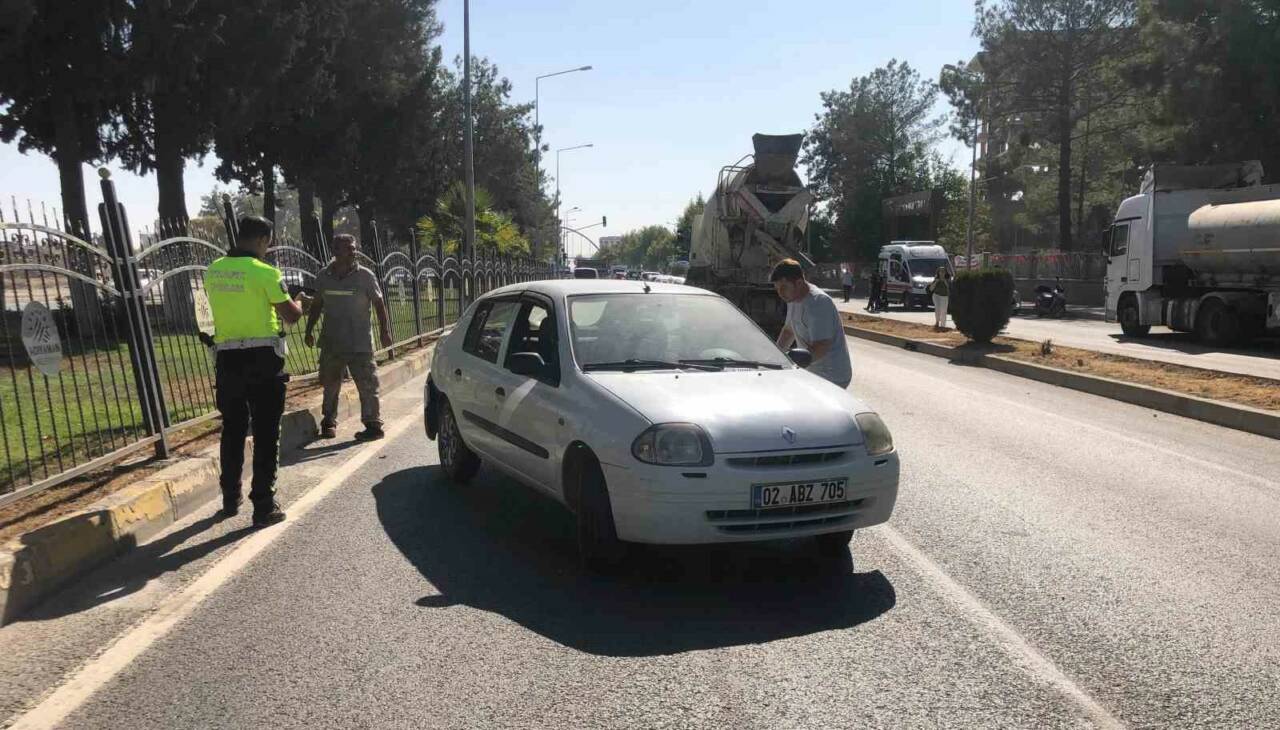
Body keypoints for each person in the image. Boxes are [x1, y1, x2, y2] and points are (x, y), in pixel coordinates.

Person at [205, 216, 308, 526]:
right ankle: (264, 505)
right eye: (268, 242)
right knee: (265, 433)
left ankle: (230, 496)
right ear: (264, 239)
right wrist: (300, 301)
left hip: (227, 360)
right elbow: (290, 316)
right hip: (263, 360)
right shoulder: (266, 272)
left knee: (233, 429)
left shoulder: (213, 271)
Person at [304, 234, 394, 441]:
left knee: (368, 385)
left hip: (360, 343)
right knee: (331, 384)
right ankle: (328, 422)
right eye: (348, 249)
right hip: (332, 342)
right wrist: (309, 330)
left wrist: (384, 331)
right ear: (335, 251)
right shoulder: (324, 276)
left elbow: (379, 305)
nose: (353, 252)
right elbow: (317, 304)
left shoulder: (365, 276)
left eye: (354, 248)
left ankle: (373, 424)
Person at [771, 259, 852, 389]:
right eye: (777, 288)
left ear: (799, 283)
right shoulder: (792, 299)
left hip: (832, 376)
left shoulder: (818, 303)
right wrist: (773, 358)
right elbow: (788, 331)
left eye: (783, 287)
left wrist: (792, 363)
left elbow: (821, 347)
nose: (780, 293)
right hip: (812, 372)